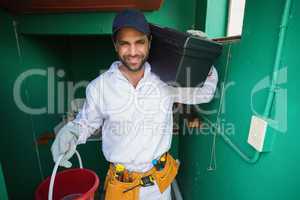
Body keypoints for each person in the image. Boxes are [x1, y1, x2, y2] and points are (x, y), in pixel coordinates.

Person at [51, 8, 218, 200]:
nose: (132, 52)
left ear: (149, 43)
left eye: (139, 42)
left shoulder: (165, 81)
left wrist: (202, 58)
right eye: (125, 44)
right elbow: (87, 123)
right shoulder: (100, 87)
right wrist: (72, 131)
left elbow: (204, 94)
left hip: (158, 184)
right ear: (115, 45)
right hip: (120, 185)